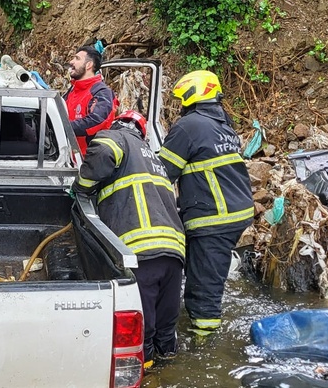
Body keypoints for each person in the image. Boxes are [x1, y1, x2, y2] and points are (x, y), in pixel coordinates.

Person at [72, 110, 186, 369]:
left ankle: (146, 374)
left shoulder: (117, 138)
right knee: (167, 331)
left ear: (118, 124)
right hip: (173, 253)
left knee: (140, 332)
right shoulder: (155, 160)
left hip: (141, 253)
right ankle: (170, 370)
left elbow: (101, 153)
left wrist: (81, 188)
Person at [158, 70, 254, 336]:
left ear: (191, 95)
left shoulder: (189, 126)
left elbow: (162, 172)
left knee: (203, 291)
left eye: (181, 100)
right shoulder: (222, 123)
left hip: (215, 218)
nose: (180, 106)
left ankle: (205, 344)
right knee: (204, 276)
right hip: (235, 210)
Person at [63, 45, 118, 154]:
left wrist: (62, 126)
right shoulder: (72, 90)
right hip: (69, 157)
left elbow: (96, 121)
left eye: (77, 59)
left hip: (91, 160)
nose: (71, 62)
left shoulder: (102, 92)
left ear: (89, 65)